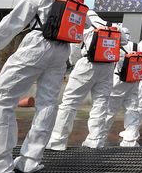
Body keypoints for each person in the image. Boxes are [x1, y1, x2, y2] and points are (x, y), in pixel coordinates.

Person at [0, 0, 71, 173]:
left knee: (2, 100)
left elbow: (11, 23)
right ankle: (31, 160)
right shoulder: (70, 0)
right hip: (61, 52)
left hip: (37, 45)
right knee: (47, 103)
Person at [46, 13, 128, 151]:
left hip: (87, 64)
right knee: (101, 104)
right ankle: (95, 140)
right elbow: (124, 42)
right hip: (107, 67)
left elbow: (74, 51)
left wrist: (74, 63)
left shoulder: (84, 27)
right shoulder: (113, 26)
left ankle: (57, 141)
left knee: (70, 102)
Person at [101, 39, 141, 147]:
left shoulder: (116, 44)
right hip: (133, 80)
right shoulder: (138, 46)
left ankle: (99, 138)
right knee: (132, 110)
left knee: (110, 111)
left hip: (118, 81)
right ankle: (130, 140)